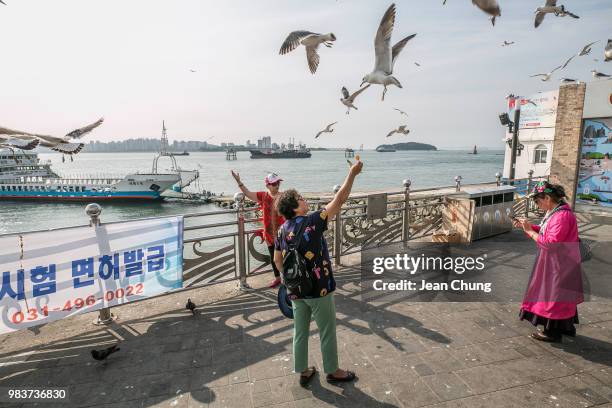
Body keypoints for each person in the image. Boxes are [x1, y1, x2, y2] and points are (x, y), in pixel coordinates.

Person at [274, 160, 362, 387]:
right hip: (318, 288)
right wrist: (352, 173)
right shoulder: (313, 221)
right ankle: (333, 371)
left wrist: (288, 279)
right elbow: (340, 199)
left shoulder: (282, 230)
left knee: (300, 331)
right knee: (327, 330)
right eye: (301, 198)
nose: (304, 200)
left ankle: (303, 370)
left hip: (295, 290)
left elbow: (276, 260)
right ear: (295, 207)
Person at [513, 181, 583, 343]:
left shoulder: (561, 216)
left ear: (547, 198)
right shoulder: (558, 212)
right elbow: (547, 232)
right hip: (561, 262)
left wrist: (530, 231)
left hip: (558, 264)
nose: (537, 205)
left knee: (553, 297)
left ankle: (552, 332)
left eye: (537, 201)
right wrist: (530, 227)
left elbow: (549, 244)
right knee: (562, 297)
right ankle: (566, 327)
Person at [231, 170, 285, 288]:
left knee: (285, 256)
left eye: (278, 183)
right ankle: (277, 278)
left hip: (283, 233)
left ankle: (288, 277)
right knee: (273, 257)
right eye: (274, 184)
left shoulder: (283, 197)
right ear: (267, 185)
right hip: (269, 234)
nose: (277, 185)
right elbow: (248, 194)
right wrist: (239, 182)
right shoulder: (263, 196)